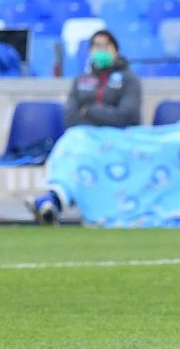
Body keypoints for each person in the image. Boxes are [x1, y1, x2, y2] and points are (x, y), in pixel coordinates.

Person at [29, 30, 142, 224]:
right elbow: (70, 118)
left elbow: (126, 116)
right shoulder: (81, 80)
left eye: (106, 46)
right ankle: (55, 197)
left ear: (116, 50)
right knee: (73, 143)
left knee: (77, 144)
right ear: (90, 51)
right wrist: (101, 117)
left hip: (120, 140)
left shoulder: (129, 80)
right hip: (85, 139)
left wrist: (90, 110)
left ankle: (54, 200)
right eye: (96, 46)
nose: (101, 50)